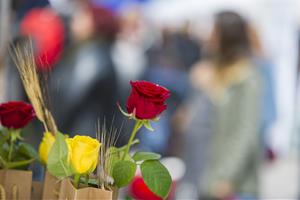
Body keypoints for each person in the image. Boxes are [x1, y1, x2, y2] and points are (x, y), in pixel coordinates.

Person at [190, 11, 263, 199]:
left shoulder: (246, 78)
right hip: (206, 179)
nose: (210, 38)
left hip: (234, 186)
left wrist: (225, 177)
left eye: (215, 32)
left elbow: (245, 133)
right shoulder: (213, 71)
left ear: (228, 37)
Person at [49, 2, 120, 135]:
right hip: (83, 137)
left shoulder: (93, 57)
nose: (74, 20)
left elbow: (68, 98)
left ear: (96, 24)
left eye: (82, 16)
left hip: (80, 139)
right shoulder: (93, 52)